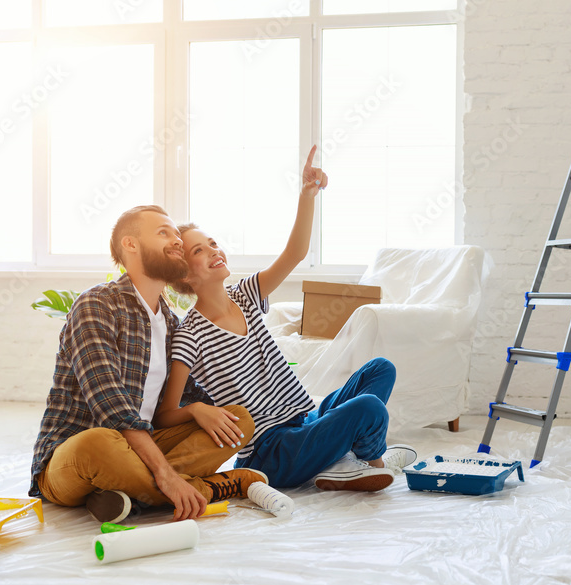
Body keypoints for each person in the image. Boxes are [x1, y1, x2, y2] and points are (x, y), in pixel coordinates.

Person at [154, 146, 417, 491]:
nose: (214, 251)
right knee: (369, 408)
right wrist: (196, 411)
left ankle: (340, 461)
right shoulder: (191, 335)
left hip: (304, 420)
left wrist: (307, 194)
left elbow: (295, 253)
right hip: (272, 451)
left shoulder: (245, 294)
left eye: (213, 243)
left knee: (381, 369)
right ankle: (372, 461)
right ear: (185, 276)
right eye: (199, 251)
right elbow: (165, 413)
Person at [29, 204, 266, 524]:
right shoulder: (97, 303)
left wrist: (197, 410)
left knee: (236, 420)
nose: (177, 240)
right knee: (99, 441)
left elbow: (181, 399)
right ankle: (209, 488)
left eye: (176, 235)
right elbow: (111, 407)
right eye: (163, 233)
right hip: (77, 455)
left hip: (142, 446)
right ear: (131, 245)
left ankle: (123, 496)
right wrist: (167, 476)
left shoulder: (170, 323)